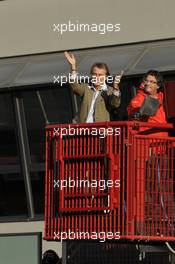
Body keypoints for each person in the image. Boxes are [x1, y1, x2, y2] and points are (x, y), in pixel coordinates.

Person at [64, 51, 123, 123]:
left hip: (100, 130)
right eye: (94, 74)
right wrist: (73, 68)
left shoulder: (110, 91)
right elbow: (75, 87)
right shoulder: (86, 88)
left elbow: (115, 104)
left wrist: (116, 87)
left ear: (106, 77)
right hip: (83, 130)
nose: (97, 77)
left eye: (100, 75)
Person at [127, 69, 167, 136]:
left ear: (158, 85)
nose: (148, 83)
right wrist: (141, 111)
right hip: (146, 140)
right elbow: (133, 115)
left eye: (151, 81)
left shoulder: (163, 96)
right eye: (146, 80)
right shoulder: (138, 98)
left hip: (163, 140)